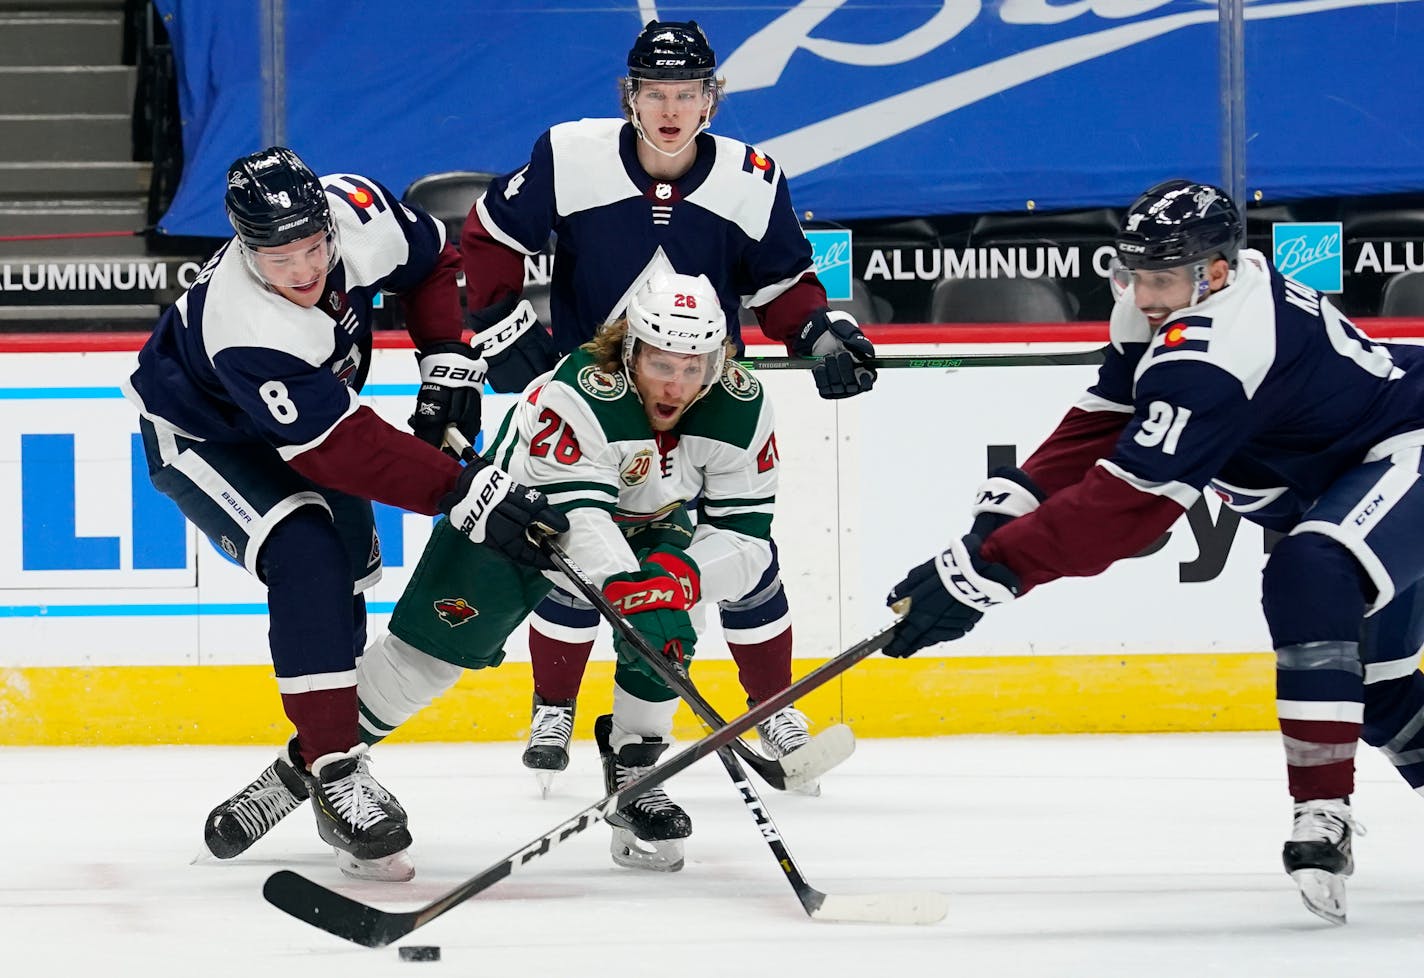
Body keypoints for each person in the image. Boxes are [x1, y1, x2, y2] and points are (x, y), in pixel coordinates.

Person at [882, 177, 1424, 926]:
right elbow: (1103, 419)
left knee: (1311, 567)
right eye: (1135, 273)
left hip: (1405, 450)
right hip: (1346, 477)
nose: (1144, 293)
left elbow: (1128, 509)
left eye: (1162, 277)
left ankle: (1320, 814)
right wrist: (991, 531)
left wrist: (991, 573)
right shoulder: (1167, 309)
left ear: (1218, 270)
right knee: (1382, 692)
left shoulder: (1214, 349)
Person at [208, 270, 780, 873]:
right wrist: (626, 585)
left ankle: (637, 768)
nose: (679, 384)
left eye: (696, 367)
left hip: (646, 526)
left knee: (667, 624)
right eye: (664, 364)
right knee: (422, 663)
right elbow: (581, 520)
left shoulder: (742, 406)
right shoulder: (579, 394)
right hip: (519, 524)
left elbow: (747, 538)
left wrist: (676, 582)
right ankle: (310, 770)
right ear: (632, 350)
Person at [124, 146, 566, 881]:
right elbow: (339, 448)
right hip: (203, 435)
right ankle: (335, 773)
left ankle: (308, 764)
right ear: (243, 245)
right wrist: (463, 489)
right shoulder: (242, 324)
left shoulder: (359, 209)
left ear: (329, 224)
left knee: (350, 577)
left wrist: (446, 360)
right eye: (278, 256)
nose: (303, 270)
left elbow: (431, 261)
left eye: (312, 246)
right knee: (306, 556)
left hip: (309, 421)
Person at [460, 19, 877, 792]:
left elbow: (783, 283)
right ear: (631, 96)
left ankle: (772, 704)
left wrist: (819, 332)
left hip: (698, 400)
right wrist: (498, 318)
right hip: (595, 403)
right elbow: (487, 234)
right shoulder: (573, 154)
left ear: (711, 100)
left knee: (743, 560)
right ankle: (553, 702)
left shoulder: (752, 176)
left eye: (686, 93)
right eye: (656, 92)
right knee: (577, 558)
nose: (671, 108)